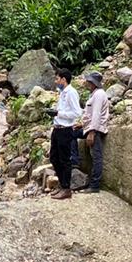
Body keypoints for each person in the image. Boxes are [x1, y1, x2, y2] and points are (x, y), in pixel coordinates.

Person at [49, 68, 82, 200]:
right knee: (54, 158)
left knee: (64, 159)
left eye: (57, 79)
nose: (55, 81)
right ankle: (62, 185)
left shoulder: (71, 93)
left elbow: (77, 113)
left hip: (65, 129)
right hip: (57, 128)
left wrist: (58, 114)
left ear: (63, 79)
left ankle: (66, 188)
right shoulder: (62, 93)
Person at [79, 71, 110, 194]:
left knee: (97, 157)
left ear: (92, 82)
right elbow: (90, 113)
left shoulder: (99, 95)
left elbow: (96, 114)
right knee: (70, 135)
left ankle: (95, 185)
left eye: (88, 81)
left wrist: (92, 132)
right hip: (89, 128)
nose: (86, 83)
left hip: (95, 130)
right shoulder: (95, 94)